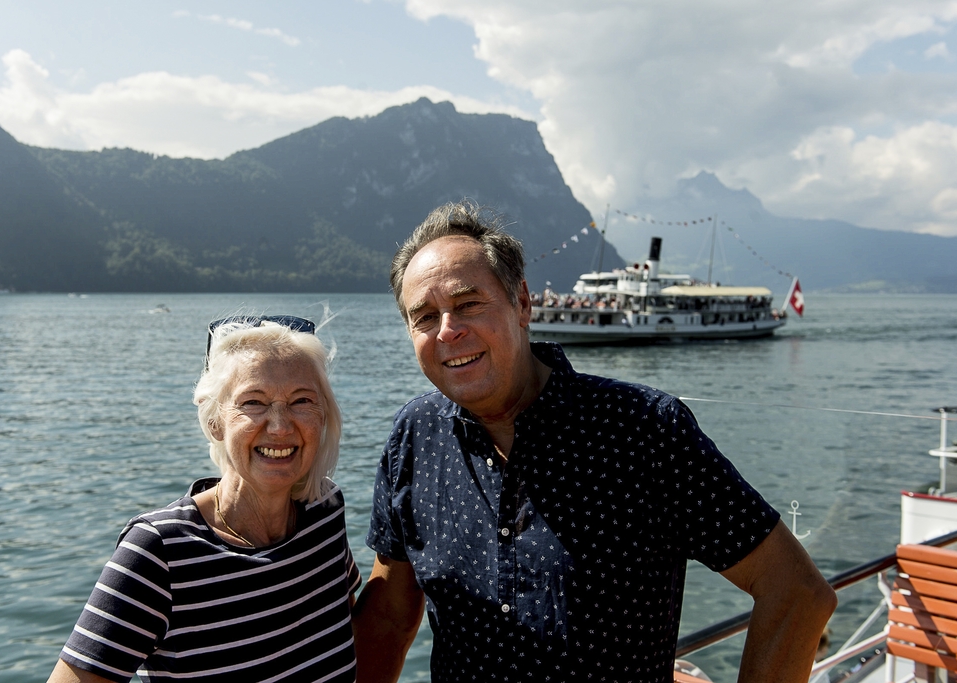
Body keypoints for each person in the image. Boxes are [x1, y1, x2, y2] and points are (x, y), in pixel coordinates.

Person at [353, 201, 837, 683]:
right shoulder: (415, 435)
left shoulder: (643, 429)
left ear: (522, 303)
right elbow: (391, 616)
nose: (448, 331)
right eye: (424, 317)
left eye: (468, 304)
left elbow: (795, 590)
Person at [47, 315, 361, 683]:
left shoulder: (324, 512)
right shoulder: (158, 552)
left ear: (323, 416)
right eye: (254, 402)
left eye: (301, 401)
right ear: (215, 422)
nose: (279, 425)